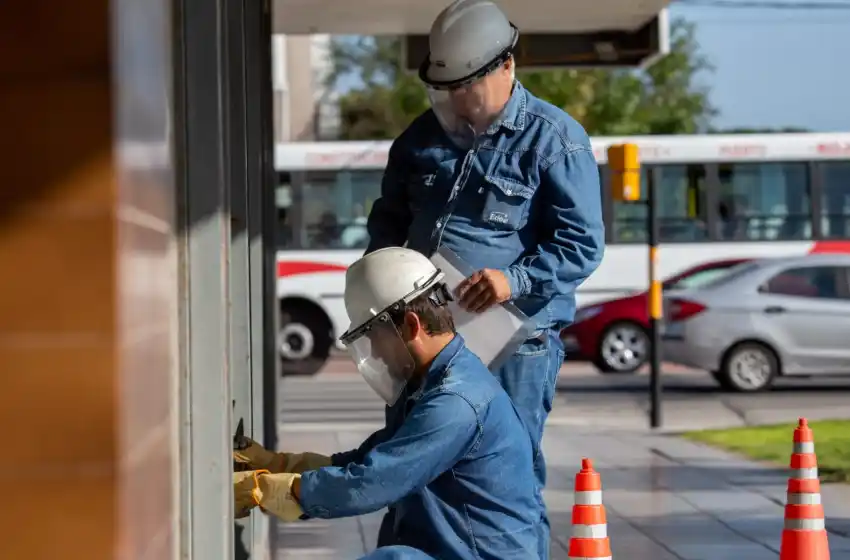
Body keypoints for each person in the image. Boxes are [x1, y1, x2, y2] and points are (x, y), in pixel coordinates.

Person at [362, 0, 605, 556]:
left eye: (468, 91)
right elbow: (389, 221)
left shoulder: (555, 141)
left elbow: (583, 245)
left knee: (503, 489)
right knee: (411, 472)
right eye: (445, 94)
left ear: (506, 66)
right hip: (427, 343)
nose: (457, 107)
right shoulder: (421, 140)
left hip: (513, 349)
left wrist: (512, 280)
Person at [234, 247, 542, 560]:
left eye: (374, 337)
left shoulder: (455, 401)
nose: (377, 353)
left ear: (410, 326)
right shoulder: (436, 383)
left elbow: (371, 482)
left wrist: (265, 491)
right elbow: (367, 461)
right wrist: (278, 466)